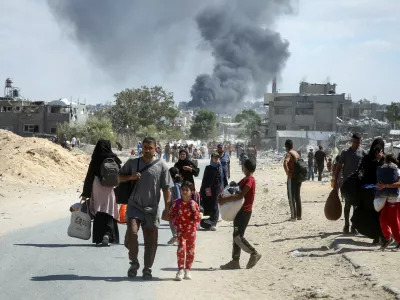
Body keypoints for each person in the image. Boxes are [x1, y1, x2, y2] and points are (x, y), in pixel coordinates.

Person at [118, 137, 173, 280]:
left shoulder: (161, 165)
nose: (147, 150)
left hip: (152, 209)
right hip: (134, 205)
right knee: (133, 233)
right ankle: (134, 262)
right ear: (141, 147)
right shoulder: (133, 162)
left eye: (150, 148)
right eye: (145, 147)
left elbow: (167, 189)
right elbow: (118, 178)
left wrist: (168, 208)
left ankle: (147, 268)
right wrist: (130, 177)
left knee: (151, 241)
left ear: (156, 149)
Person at [219, 159, 262, 270]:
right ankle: (235, 261)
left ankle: (254, 253)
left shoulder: (250, 180)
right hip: (239, 211)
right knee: (236, 235)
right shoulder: (245, 179)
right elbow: (234, 190)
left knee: (238, 236)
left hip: (245, 211)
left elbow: (240, 196)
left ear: (246, 168)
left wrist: (225, 201)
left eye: (243, 167)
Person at [81, 139, 121, 246]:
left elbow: (89, 177)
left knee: (99, 209)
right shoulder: (113, 157)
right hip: (111, 188)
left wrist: (85, 194)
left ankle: (100, 235)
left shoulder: (96, 159)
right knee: (110, 208)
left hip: (97, 187)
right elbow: (120, 173)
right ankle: (108, 234)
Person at [334, 133, 367, 234]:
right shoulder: (345, 153)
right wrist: (335, 180)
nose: (357, 144)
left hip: (358, 184)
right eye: (356, 142)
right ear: (351, 141)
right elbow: (339, 167)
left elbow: (367, 166)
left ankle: (354, 226)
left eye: (359, 142)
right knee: (347, 205)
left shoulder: (363, 153)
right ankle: (346, 225)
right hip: (347, 184)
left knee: (357, 206)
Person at [170, 181, 201, 281]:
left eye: (187, 190)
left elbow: (197, 219)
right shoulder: (177, 203)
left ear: (191, 192)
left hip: (191, 231)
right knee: (181, 249)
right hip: (180, 230)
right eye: (183, 189)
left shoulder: (194, 204)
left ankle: (188, 270)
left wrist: (194, 210)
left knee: (190, 250)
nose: (184, 191)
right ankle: (180, 270)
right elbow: (171, 214)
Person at [357, 139, 385, 244]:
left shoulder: (385, 159)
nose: (378, 150)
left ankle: (382, 235)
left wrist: (380, 160)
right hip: (369, 192)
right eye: (376, 148)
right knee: (371, 214)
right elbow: (361, 173)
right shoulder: (367, 158)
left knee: (381, 215)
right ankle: (376, 236)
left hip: (382, 191)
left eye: (380, 148)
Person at [376, 154, 400, 250]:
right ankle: (388, 238)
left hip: (395, 199)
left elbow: (399, 184)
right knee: (383, 219)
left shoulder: (397, 170)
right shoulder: (386, 171)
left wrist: (385, 186)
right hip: (386, 198)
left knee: (394, 221)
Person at [200, 153, 228, 231]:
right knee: (208, 205)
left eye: (217, 157)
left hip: (217, 190)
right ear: (211, 158)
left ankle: (213, 223)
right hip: (208, 190)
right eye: (215, 157)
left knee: (215, 206)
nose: (216, 159)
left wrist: (226, 187)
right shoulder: (208, 168)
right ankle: (206, 223)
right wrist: (202, 190)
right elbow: (204, 179)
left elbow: (223, 178)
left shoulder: (220, 167)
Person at [283, 139, 302, 221]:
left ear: (286, 146)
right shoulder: (296, 153)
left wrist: (288, 173)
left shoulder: (289, 154)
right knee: (298, 197)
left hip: (292, 178)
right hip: (299, 178)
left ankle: (293, 216)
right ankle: (299, 216)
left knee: (291, 197)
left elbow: (285, 163)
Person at [168, 167, 181, 246]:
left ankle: (176, 237)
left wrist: (174, 208)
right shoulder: (178, 184)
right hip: (176, 206)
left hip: (175, 207)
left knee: (173, 222)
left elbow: (177, 198)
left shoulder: (174, 185)